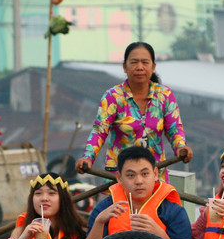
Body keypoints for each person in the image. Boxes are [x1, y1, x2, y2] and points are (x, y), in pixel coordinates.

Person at [75, 41, 193, 180]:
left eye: (145, 62)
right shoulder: (113, 96)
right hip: (120, 177)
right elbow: (99, 130)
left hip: (154, 175)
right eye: (134, 62)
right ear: (125, 67)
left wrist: (180, 148)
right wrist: (87, 158)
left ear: (153, 66)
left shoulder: (164, 95)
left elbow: (174, 128)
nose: (139, 67)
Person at [85, 145, 192, 239]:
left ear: (155, 174)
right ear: (119, 178)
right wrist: (99, 223)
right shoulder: (105, 209)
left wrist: (159, 234)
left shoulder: (174, 212)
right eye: (131, 175)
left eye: (144, 174)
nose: (139, 181)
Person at [4, 172, 87, 239]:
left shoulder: (80, 231)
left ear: (63, 199)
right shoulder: (20, 232)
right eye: (38, 193)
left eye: (51, 193)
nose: (44, 198)